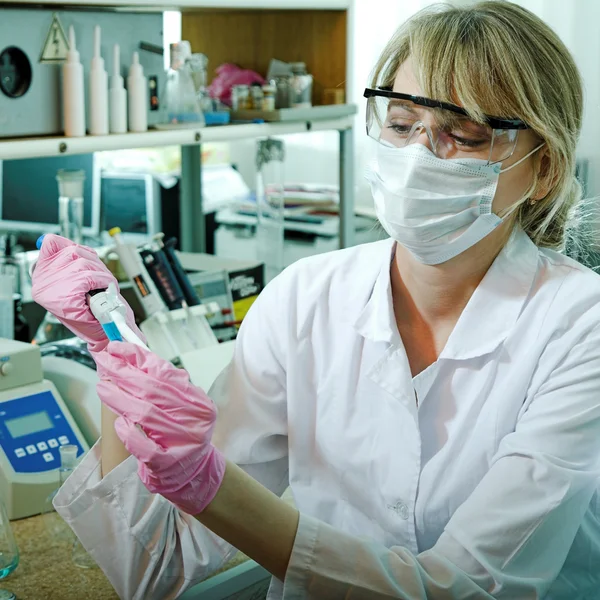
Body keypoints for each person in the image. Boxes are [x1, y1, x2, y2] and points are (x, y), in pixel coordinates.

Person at [31, 2, 600, 599]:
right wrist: (113, 346)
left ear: (544, 170)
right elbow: (156, 565)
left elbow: (464, 589)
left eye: (466, 133)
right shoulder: (305, 300)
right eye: (402, 122)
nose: (419, 157)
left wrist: (213, 486)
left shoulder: (580, 326)